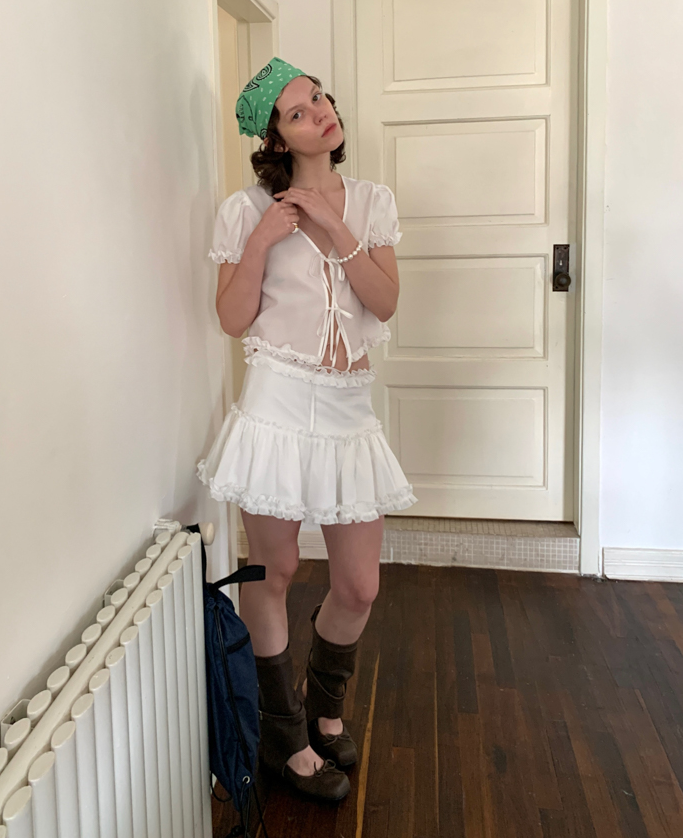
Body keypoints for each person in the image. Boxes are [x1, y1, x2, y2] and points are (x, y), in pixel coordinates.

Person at [198, 57, 417, 802]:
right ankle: (285, 734)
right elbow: (232, 319)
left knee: (358, 584)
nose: (321, 111)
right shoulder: (244, 210)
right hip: (278, 404)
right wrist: (265, 238)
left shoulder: (372, 201)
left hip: (349, 405)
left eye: (319, 98)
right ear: (276, 138)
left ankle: (325, 705)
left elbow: (383, 303)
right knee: (276, 570)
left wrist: (334, 226)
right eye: (298, 111)